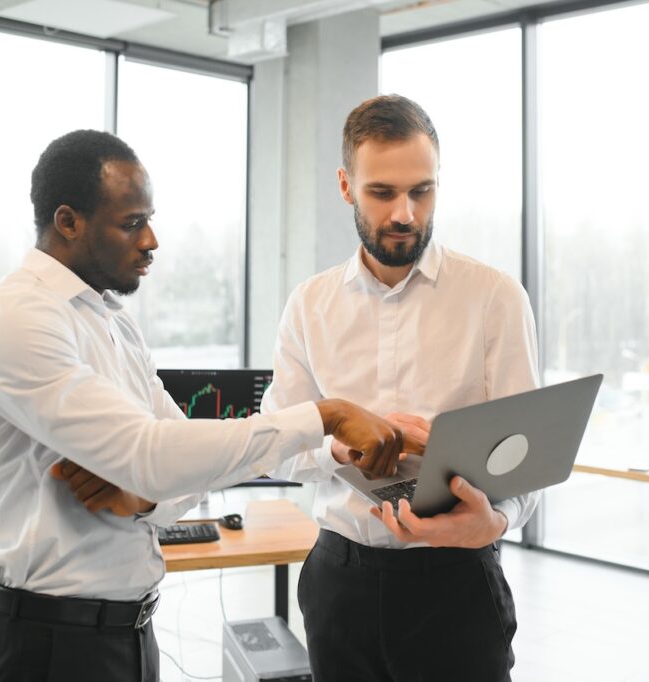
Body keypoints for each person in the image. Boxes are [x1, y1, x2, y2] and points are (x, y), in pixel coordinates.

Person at [0, 129, 404, 682]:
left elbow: (176, 469)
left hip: (127, 639)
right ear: (68, 222)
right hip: (41, 647)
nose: (152, 240)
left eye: (149, 219)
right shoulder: (15, 320)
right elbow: (155, 454)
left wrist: (142, 496)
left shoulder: (112, 323)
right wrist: (322, 417)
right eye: (131, 222)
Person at [261, 94, 541, 682]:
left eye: (422, 190)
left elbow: (529, 456)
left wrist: (498, 522)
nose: (406, 214)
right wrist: (335, 447)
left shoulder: (494, 298)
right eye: (382, 192)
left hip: (457, 579)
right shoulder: (309, 306)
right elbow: (277, 441)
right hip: (340, 579)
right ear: (345, 186)